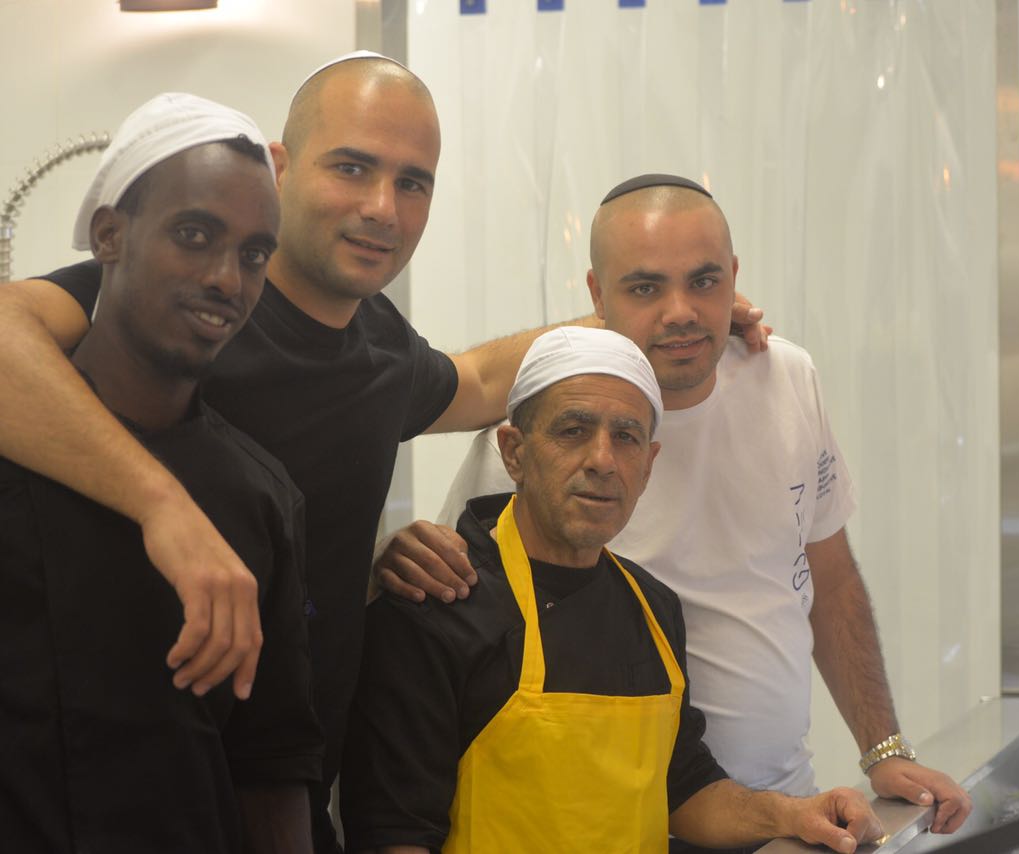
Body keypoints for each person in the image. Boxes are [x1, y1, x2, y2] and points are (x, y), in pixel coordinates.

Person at [0, 54, 766, 850]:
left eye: (412, 182)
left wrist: (664, 313)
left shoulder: (383, 357)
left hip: (278, 793)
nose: (382, 208)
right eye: (352, 167)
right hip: (90, 792)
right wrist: (166, 509)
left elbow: (481, 378)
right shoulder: (181, 308)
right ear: (281, 168)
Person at [434, 174, 974, 849]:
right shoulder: (540, 431)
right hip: (627, 827)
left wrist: (883, 749)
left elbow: (830, 580)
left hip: (784, 811)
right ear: (597, 295)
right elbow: (445, 599)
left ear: (735, 278)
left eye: (704, 281)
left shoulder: (787, 379)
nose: (680, 311)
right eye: (645, 288)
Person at [340, 326, 884, 854]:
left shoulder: (653, 609)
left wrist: (794, 814)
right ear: (514, 453)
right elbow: (394, 834)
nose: (602, 460)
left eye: (625, 437)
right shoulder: (434, 606)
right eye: (573, 430)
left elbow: (683, 788)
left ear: (647, 466)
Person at [0, 93, 323, 852]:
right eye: (194, 235)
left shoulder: (260, 497)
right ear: (109, 235)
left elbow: (270, 767)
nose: (227, 279)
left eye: (253, 254)